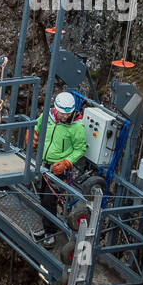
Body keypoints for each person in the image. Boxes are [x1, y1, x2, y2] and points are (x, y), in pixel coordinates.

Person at [32, 90, 88, 243]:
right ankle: (46, 227)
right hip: (43, 164)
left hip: (58, 169)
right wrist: (32, 134)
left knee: (49, 200)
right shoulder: (47, 117)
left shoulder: (77, 127)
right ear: (55, 109)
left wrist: (66, 163)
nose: (64, 116)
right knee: (42, 197)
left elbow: (80, 148)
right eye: (62, 113)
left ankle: (50, 234)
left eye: (67, 113)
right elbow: (36, 126)